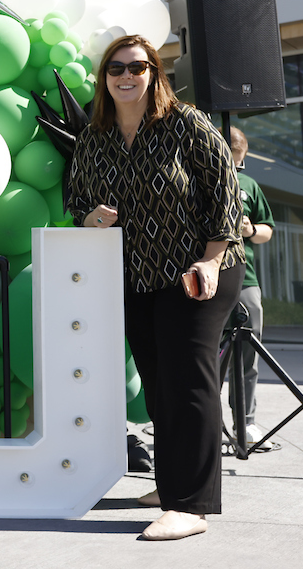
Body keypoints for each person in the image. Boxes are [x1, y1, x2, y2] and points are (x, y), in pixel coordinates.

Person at [68, 34, 245, 541]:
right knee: (159, 387)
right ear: (105, 78)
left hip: (198, 271)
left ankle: (191, 505)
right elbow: (77, 200)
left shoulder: (187, 125)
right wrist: (91, 218)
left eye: (138, 67)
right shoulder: (95, 139)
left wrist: (210, 263)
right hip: (136, 276)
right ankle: (171, 485)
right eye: (116, 68)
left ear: (154, 75)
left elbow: (227, 201)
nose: (126, 76)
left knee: (189, 383)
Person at [226, 126, 275, 446]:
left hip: (246, 280)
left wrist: (250, 228)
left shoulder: (250, 185)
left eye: (238, 160)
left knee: (248, 352)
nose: (234, 166)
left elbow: (267, 231)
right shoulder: (197, 177)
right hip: (206, 277)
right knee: (206, 356)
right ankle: (207, 425)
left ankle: (246, 423)